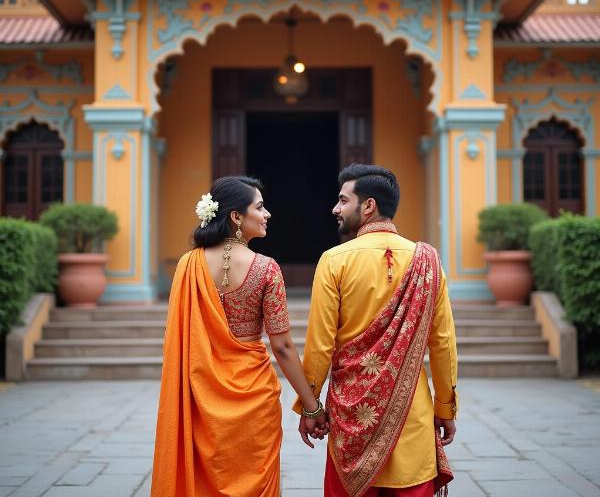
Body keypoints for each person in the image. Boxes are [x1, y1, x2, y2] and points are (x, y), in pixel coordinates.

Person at [152, 176, 327, 497]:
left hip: (200, 390)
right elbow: (283, 346)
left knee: (203, 477)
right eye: (259, 207)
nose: (267, 214)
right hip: (253, 393)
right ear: (236, 216)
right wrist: (312, 405)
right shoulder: (266, 269)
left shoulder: (188, 265)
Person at [293, 163, 458, 497]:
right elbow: (442, 343)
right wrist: (445, 408)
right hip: (412, 416)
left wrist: (311, 407)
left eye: (342, 200)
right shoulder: (427, 260)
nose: (335, 209)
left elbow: (320, 345)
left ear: (368, 206)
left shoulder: (334, 260)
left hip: (352, 420)